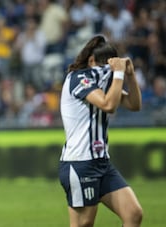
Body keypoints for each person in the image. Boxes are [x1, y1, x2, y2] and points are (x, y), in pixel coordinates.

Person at [59, 35, 143, 227]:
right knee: (84, 223)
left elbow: (134, 104)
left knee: (133, 214)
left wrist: (129, 75)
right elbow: (108, 105)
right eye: (104, 65)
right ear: (91, 61)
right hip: (79, 163)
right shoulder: (78, 78)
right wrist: (119, 74)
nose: (107, 71)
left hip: (101, 163)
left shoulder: (103, 84)